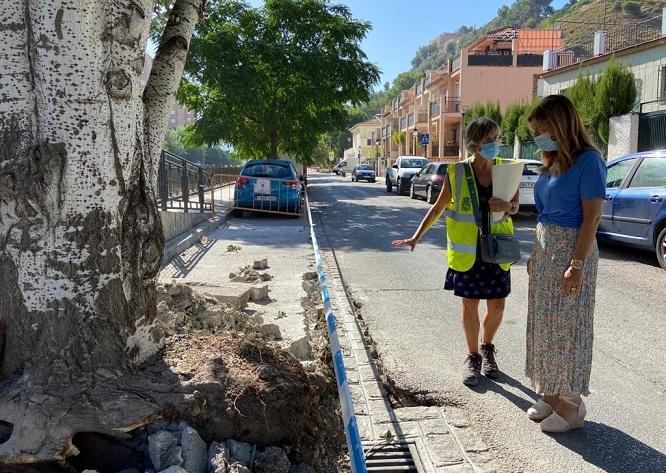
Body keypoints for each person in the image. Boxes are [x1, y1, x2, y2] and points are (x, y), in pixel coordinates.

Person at [392, 117, 520, 386]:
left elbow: (516, 206)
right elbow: (438, 207)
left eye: (497, 138)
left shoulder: (507, 170)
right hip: (467, 253)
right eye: (489, 140)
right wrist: (417, 237)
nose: (495, 144)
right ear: (475, 144)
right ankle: (474, 356)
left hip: (497, 249)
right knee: (470, 304)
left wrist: (507, 207)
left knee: (497, 306)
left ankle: (488, 347)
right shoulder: (457, 173)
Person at [524, 95, 607, 433]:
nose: (538, 136)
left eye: (542, 130)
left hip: (572, 251)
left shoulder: (589, 161)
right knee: (545, 326)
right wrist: (535, 255)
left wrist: (577, 263)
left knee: (568, 329)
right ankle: (551, 392)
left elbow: (592, 218)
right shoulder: (552, 162)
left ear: (560, 125)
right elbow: (544, 213)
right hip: (546, 255)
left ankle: (572, 404)